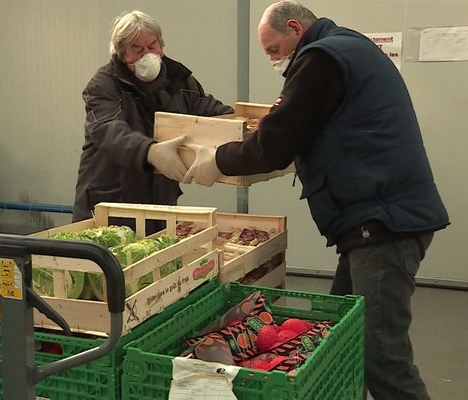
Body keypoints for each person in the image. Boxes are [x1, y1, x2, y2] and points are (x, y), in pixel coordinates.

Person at [184, 1, 449, 399]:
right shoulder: (350, 46)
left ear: (295, 28)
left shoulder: (321, 58)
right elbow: (321, 127)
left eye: (274, 49)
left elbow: (274, 143)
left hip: (383, 224)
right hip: (375, 222)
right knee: (339, 337)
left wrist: (215, 161)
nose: (274, 60)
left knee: (382, 359)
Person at [73, 10, 232, 232]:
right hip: (112, 204)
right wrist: (150, 151)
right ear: (121, 54)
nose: (148, 54)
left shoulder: (178, 79)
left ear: (161, 45)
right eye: (137, 49)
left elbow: (207, 109)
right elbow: (109, 130)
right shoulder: (103, 85)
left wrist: (238, 126)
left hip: (160, 203)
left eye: (152, 46)